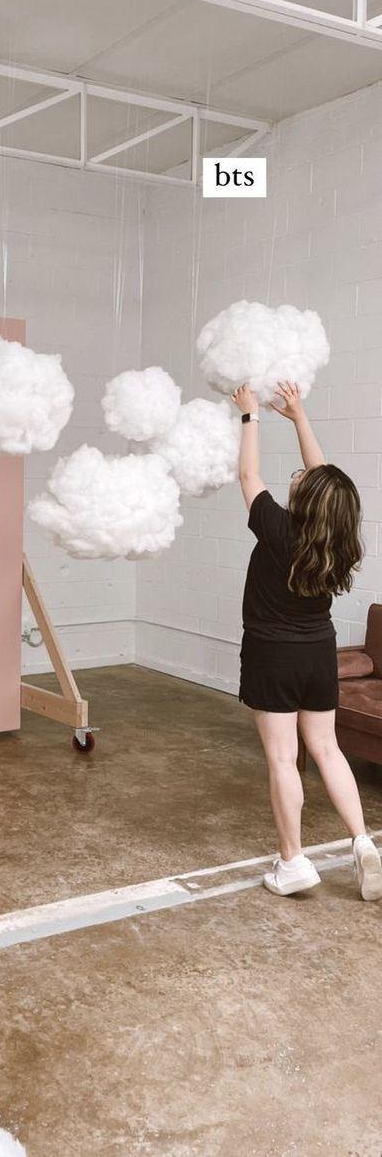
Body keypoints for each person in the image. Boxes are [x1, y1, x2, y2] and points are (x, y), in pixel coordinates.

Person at [232, 380, 382, 900]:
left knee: (281, 758)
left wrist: (249, 416)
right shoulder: (339, 538)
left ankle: (293, 862)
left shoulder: (278, 529)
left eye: (300, 478)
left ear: (308, 501)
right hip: (319, 652)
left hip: (272, 655)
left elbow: (248, 474)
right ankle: (362, 841)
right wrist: (299, 417)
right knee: (326, 747)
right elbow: (326, 483)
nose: (298, 474)